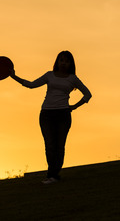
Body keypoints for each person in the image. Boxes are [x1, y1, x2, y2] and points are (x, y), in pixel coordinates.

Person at [10, 51, 92, 184]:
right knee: (50, 145)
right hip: (46, 114)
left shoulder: (73, 78)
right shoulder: (49, 75)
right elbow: (31, 85)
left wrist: (74, 107)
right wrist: (13, 76)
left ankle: (53, 175)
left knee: (60, 146)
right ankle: (52, 175)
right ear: (57, 62)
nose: (63, 63)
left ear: (70, 64)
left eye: (66, 61)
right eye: (61, 60)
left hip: (63, 114)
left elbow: (88, 94)